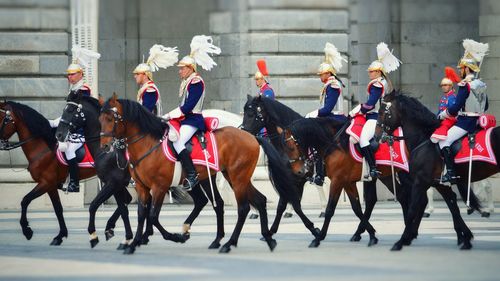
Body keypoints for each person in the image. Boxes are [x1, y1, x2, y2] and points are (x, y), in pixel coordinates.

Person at [162, 35, 221, 191]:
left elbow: (188, 106)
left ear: (190, 68)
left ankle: (192, 174)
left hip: (193, 120)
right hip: (185, 120)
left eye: (182, 68)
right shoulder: (187, 81)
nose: (180, 71)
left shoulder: (196, 81)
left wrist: (168, 115)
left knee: (177, 141)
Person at [49, 45, 101, 192]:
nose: (69, 77)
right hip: (70, 127)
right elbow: (69, 112)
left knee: (69, 150)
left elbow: (79, 113)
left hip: (80, 130)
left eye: (72, 74)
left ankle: (74, 183)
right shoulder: (73, 89)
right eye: (68, 74)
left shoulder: (83, 89)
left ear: (80, 74)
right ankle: (59, 177)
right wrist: (56, 122)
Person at [437, 39, 489, 184]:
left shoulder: (465, 84)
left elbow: (456, 107)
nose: (459, 71)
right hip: (479, 120)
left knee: (444, 142)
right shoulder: (480, 84)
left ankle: (451, 173)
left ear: (466, 69)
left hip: (466, 122)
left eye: (461, 68)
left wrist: (443, 114)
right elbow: (486, 105)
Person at [349, 42, 401, 180]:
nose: (369, 73)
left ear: (378, 72)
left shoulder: (377, 84)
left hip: (375, 117)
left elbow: (371, 105)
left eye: (371, 71)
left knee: (363, 140)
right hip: (374, 116)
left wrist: (357, 110)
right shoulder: (381, 82)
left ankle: (373, 169)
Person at [425, 75, 457, 217]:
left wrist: (442, 116)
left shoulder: (453, 97)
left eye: (446, 85)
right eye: (442, 85)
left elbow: (452, 112)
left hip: (451, 122)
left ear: (451, 86)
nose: (443, 87)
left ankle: (448, 169)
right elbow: (439, 112)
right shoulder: (444, 97)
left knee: (442, 140)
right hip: (443, 121)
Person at [133, 44, 178, 115]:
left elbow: (146, 112)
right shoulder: (145, 88)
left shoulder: (150, 89)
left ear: (145, 75)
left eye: (138, 74)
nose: (135, 76)